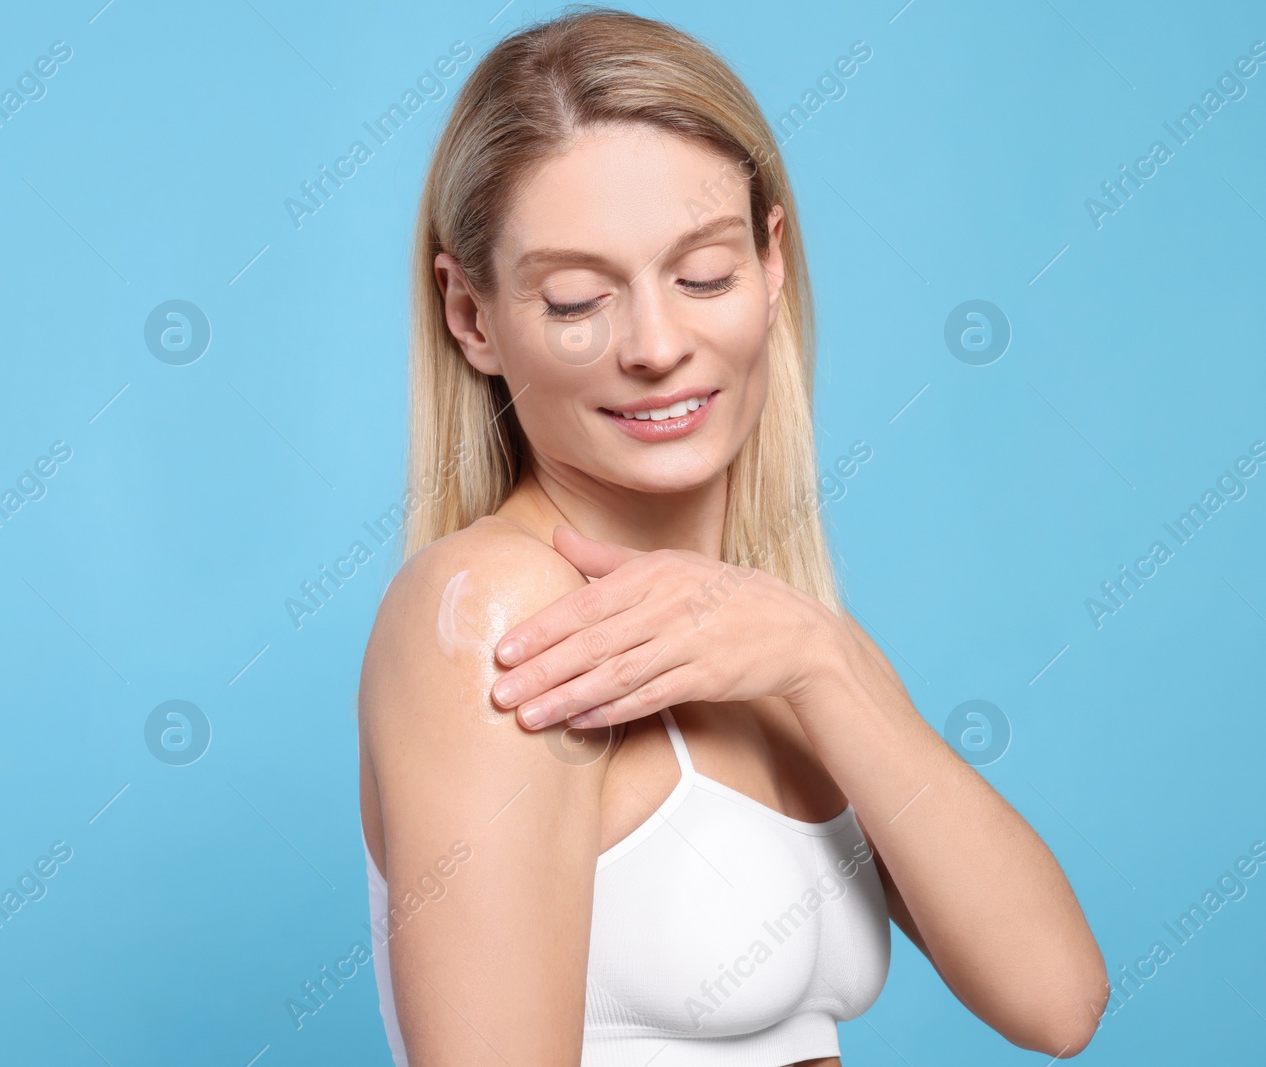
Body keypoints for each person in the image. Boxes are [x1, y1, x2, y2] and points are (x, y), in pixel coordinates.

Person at [356, 7, 1108, 1064]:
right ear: (472, 316)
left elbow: (1056, 997)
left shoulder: (775, 637)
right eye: (577, 299)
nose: (657, 346)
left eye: (702, 274)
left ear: (770, 263)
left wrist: (824, 658)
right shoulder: (501, 615)